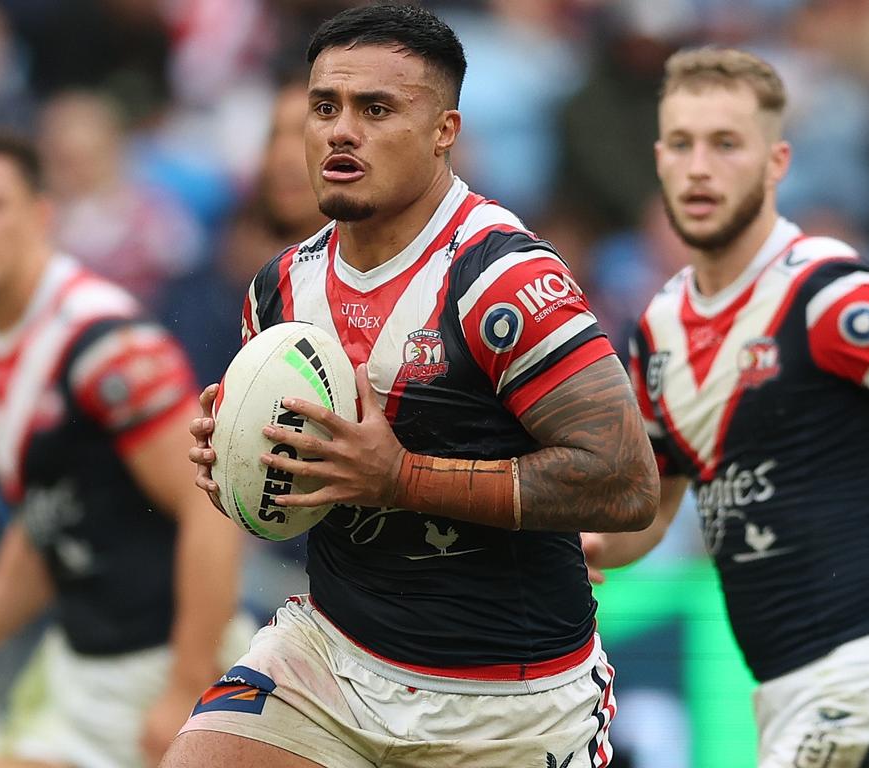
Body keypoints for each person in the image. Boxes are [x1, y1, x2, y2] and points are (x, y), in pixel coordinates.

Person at [166, 5, 659, 768]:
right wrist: (240, 463)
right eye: (324, 106)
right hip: (332, 656)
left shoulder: (502, 279)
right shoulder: (279, 289)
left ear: (444, 131)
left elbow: (624, 483)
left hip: (507, 702)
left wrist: (401, 477)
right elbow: (303, 493)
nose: (339, 130)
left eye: (376, 109)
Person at [584, 48, 869, 766]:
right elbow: (652, 512)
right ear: (657, 157)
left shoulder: (831, 291)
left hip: (867, 673)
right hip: (777, 692)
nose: (698, 166)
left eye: (725, 143)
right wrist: (567, 548)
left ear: (776, 163)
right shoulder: (658, 327)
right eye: (681, 143)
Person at [0, 134, 249, 768]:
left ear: (40, 216)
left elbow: (213, 508)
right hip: (82, 658)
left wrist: (185, 686)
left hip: (162, 659)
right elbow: (48, 524)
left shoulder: (105, 349)